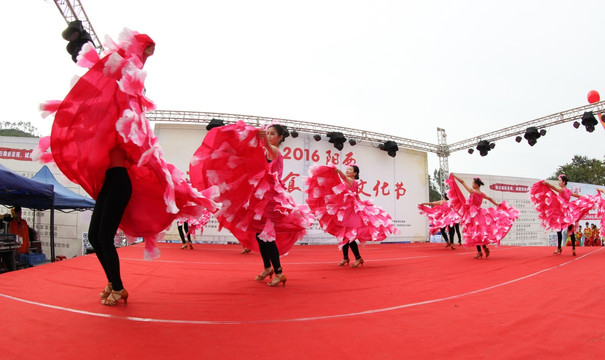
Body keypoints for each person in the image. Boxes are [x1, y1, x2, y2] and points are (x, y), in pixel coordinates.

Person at [37, 29, 220, 305]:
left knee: (104, 237)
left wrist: (142, 51)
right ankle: (112, 282)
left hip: (119, 182)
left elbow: (126, 91)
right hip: (111, 183)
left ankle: (119, 287)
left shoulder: (131, 126)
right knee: (96, 237)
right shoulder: (108, 124)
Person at [189, 121, 313, 287]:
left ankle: (279, 272)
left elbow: (270, 149)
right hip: (260, 198)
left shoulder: (275, 151)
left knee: (267, 237)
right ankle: (268, 267)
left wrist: (264, 140)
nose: (269, 136)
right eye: (268, 133)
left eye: (273, 134)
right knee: (259, 234)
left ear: (280, 137)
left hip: (270, 199)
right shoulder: (264, 151)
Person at [305, 164, 399, 267]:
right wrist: (361, 203)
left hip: (350, 211)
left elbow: (344, 178)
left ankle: (358, 258)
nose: (347, 171)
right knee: (343, 234)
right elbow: (356, 194)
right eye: (347, 169)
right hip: (346, 209)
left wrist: (338, 171)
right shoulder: (352, 182)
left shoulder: (350, 180)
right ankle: (346, 258)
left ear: (355, 173)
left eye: (350, 170)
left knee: (348, 235)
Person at [446, 174, 519, 259]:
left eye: (473, 183)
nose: (472, 185)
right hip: (479, 213)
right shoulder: (481, 193)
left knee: (475, 233)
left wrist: (454, 175)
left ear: (476, 185)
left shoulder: (473, 192)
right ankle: (483, 249)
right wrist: (497, 204)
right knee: (479, 233)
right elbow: (489, 198)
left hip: (473, 215)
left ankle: (480, 251)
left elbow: (462, 182)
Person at [529, 174, 595, 256]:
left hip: (561, 212)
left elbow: (554, 188)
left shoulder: (562, 190)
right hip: (568, 211)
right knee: (571, 230)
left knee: (559, 230)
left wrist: (547, 184)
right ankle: (573, 249)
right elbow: (576, 195)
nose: (559, 182)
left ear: (564, 182)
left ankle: (559, 247)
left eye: (560, 181)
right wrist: (587, 198)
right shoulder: (569, 191)